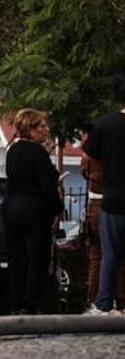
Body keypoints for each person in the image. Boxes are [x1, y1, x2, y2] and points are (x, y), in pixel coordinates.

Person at [1, 109, 62, 314]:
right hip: (34, 209)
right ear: (31, 129)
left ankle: (14, 303)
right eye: (42, 126)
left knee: (17, 258)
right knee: (38, 258)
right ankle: (31, 304)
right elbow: (48, 185)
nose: (47, 130)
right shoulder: (37, 153)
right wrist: (57, 209)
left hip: (11, 207)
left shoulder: (12, 151)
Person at [84, 105, 125, 314]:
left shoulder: (106, 123)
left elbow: (90, 152)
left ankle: (104, 303)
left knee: (110, 255)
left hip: (114, 199)